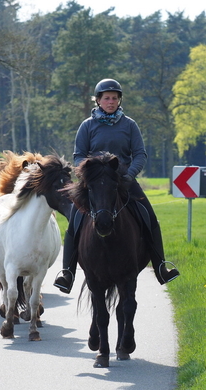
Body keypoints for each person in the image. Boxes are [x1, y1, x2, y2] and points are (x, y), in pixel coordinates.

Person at [53, 78, 180, 293]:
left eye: (114, 98)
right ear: (98, 101)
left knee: (150, 217)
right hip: (94, 184)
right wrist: (88, 175)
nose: (110, 102)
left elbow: (140, 154)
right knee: (74, 220)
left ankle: (161, 266)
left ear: (119, 100)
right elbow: (78, 156)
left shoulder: (129, 125)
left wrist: (130, 175)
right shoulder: (87, 125)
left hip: (124, 181)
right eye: (106, 98)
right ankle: (68, 272)